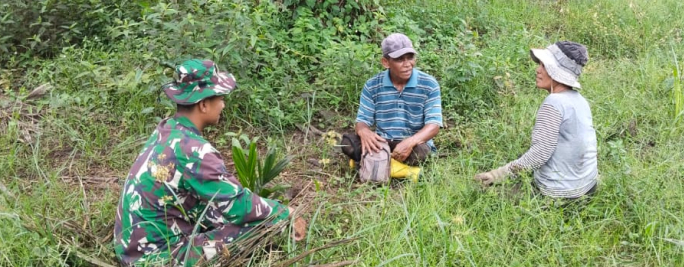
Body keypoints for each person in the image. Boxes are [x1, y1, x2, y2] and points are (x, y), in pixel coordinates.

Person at [114, 59, 306, 267]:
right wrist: (285, 213)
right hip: (159, 259)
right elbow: (239, 205)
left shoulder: (167, 130)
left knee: (220, 214)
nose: (223, 105)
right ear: (203, 104)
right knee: (266, 224)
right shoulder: (194, 151)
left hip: (131, 250)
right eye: (221, 98)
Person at [475, 41, 598, 198]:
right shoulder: (581, 101)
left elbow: (540, 153)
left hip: (559, 193)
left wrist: (497, 174)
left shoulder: (554, 103)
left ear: (556, 72)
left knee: (486, 195)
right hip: (588, 188)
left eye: (544, 66)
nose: (538, 70)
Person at [341, 33, 443, 167]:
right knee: (347, 143)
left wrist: (410, 142)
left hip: (414, 143)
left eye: (410, 58)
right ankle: (391, 165)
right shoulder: (373, 85)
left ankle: (374, 163)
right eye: (400, 59)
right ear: (385, 62)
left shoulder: (429, 84)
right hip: (382, 142)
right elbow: (362, 121)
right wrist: (364, 131)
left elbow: (434, 125)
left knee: (421, 152)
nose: (407, 64)